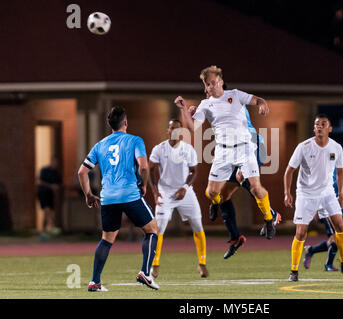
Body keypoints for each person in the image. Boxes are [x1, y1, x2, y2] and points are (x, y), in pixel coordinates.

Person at [174, 65, 277, 245]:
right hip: (223, 151)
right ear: (205, 87)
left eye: (213, 82)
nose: (211, 86)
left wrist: (262, 104)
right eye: (208, 84)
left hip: (245, 147)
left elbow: (257, 100)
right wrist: (183, 109)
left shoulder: (235, 95)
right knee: (211, 192)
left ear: (221, 81)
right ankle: (215, 203)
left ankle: (269, 220)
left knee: (255, 187)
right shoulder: (206, 104)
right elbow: (193, 128)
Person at [78, 106, 159, 292]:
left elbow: (82, 172)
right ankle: (145, 273)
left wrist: (88, 195)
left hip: (108, 197)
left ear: (110, 125)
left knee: (107, 239)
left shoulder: (100, 145)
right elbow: (144, 167)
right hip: (129, 193)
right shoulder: (135, 140)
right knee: (152, 229)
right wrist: (144, 184)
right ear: (125, 122)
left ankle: (94, 282)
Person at [284, 114, 343, 281]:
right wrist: (287, 193)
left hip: (327, 192)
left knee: (340, 226)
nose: (319, 127)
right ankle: (293, 271)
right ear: (313, 128)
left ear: (329, 129)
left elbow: (339, 172)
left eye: (323, 124)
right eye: (317, 124)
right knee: (301, 233)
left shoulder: (336, 147)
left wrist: (340, 194)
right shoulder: (304, 146)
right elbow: (289, 171)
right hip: (306, 194)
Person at [148, 119, 209, 278]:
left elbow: (194, 171)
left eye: (178, 129)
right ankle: (155, 265)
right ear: (168, 130)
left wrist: (185, 187)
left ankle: (202, 264)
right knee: (159, 227)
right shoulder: (159, 149)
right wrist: (155, 192)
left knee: (197, 224)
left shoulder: (188, 149)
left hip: (185, 191)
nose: (175, 131)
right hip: (165, 192)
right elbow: (150, 170)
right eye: (172, 128)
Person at [36, 156, 62, 241]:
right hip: (43, 193)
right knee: (47, 210)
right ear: (51, 162)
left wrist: (56, 188)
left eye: (56, 163)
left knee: (48, 213)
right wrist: (51, 186)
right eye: (54, 162)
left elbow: (59, 185)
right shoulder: (44, 170)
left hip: (51, 195)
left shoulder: (57, 173)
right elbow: (39, 182)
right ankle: (52, 227)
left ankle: (43, 232)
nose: (55, 164)